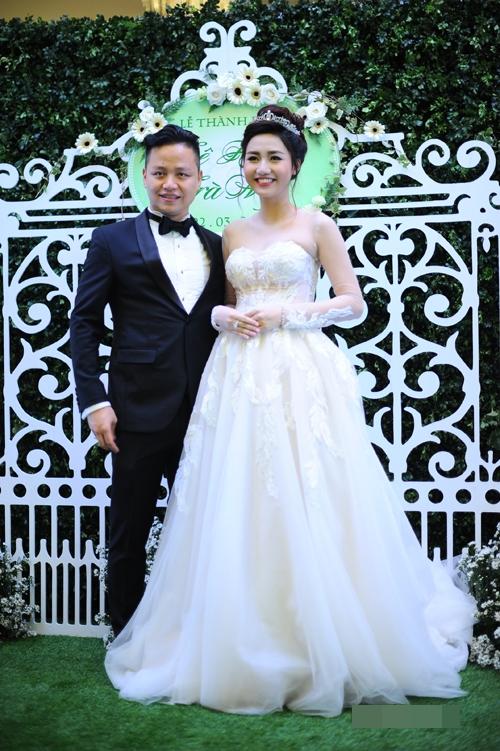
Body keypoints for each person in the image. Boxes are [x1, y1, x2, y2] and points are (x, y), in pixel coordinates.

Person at [104, 106, 475, 716]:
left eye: (274, 157)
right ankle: (240, 632)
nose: (263, 167)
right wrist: (224, 316)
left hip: (300, 372)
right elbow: (222, 305)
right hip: (237, 374)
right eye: (253, 157)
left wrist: (291, 313)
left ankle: (321, 636)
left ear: (296, 165)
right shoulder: (230, 234)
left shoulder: (317, 224)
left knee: (310, 490)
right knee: (240, 495)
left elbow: (353, 302)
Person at [70, 125, 225, 636]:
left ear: (199, 178)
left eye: (182, 173)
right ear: (144, 175)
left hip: (205, 409)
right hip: (135, 410)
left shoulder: (218, 246)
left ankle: (195, 636)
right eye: (160, 172)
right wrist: (95, 401)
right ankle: (126, 636)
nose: (170, 183)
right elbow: (85, 323)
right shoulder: (111, 240)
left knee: (204, 529)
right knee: (129, 530)